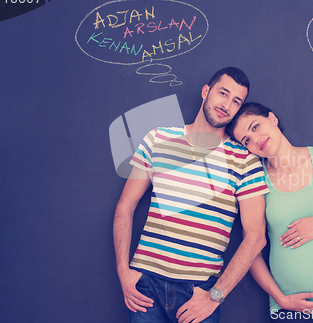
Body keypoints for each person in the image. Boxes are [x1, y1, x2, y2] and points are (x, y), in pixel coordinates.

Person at [113, 68, 271, 323]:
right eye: (223, 93)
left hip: (198, 292)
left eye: (236, 101)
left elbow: (256, 237)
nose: (227, 105)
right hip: (146, 286)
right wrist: (123, 270)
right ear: (206, 91)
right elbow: (125, 206)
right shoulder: (158, 139)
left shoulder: (245, 160)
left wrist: (215, 295)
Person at [226, 102, 313, 322]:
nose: (255, 139)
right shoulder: (254, 182)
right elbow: (250, 252)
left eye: (255, 127)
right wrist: (281, 299)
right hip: (290, 307)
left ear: (272, 119)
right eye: (246, 140)